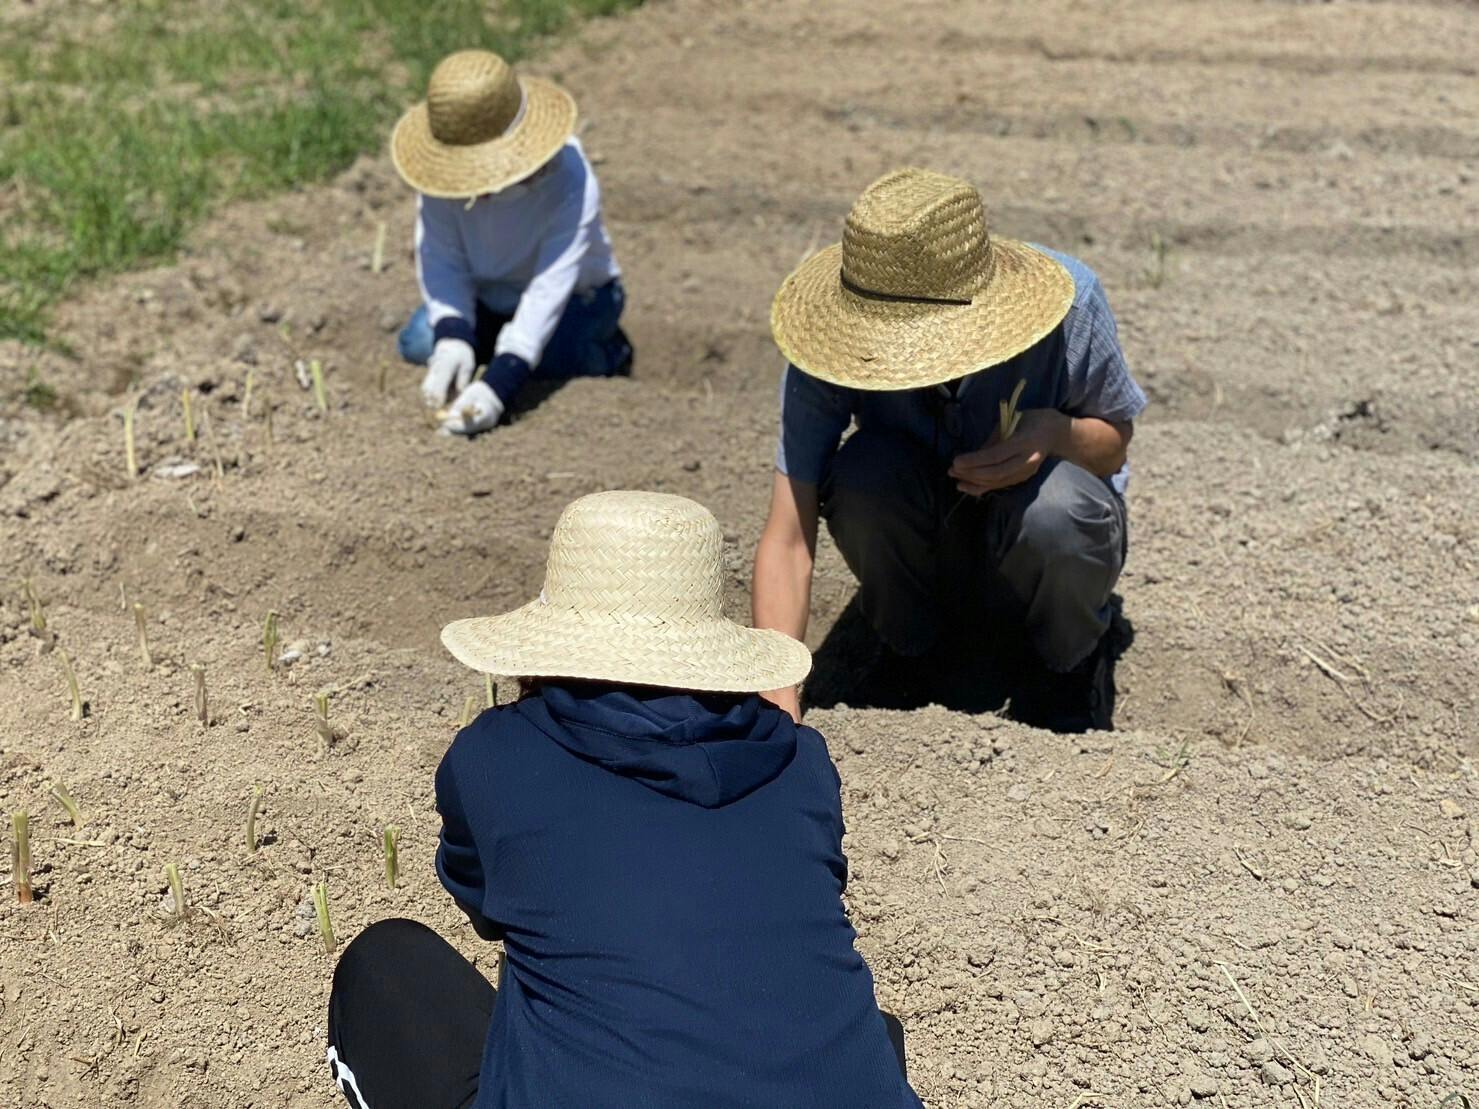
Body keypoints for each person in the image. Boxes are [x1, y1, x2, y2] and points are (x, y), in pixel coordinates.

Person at [324, 491, 923, 1109]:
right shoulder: (801, 764)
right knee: (860, 1037)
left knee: (384, 964)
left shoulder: (496, 758)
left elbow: (484, 906)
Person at [753, 168, 1147, 732]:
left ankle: (1066, 665)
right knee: (865, 473)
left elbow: (1114, 446)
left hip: (1035, 545)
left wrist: (1053, 434)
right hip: (924, 538)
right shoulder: (828, 343)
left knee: (1061, 507)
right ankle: (910, 648)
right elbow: (788, 536)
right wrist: (775, 704)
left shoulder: (1073, 305)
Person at [390, 49, 631, 436]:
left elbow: (550, 286)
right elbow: (442, 259)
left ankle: (609, 352)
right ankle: (490, 343)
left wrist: (500, 383)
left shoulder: (570, 180)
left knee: (553, 361)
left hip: (578, 296)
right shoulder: (440, 183)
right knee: (421, 342)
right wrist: (453, 337)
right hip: (491, 295)